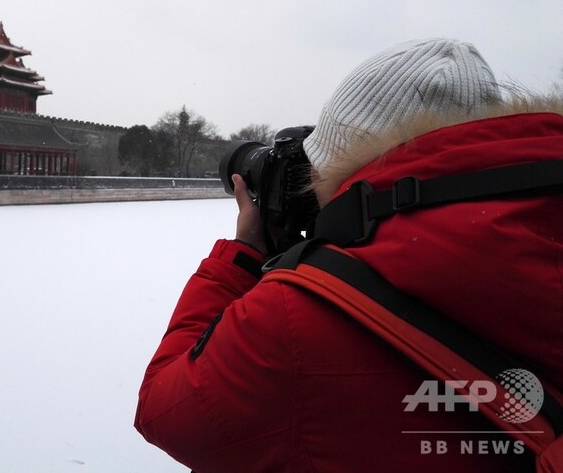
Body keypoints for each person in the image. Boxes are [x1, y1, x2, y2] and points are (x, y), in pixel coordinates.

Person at [134, 38, 563, 472]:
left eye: (316, 168)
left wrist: (242, 258)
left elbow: (164, 411)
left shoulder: (295, 321)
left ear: (346, 166)